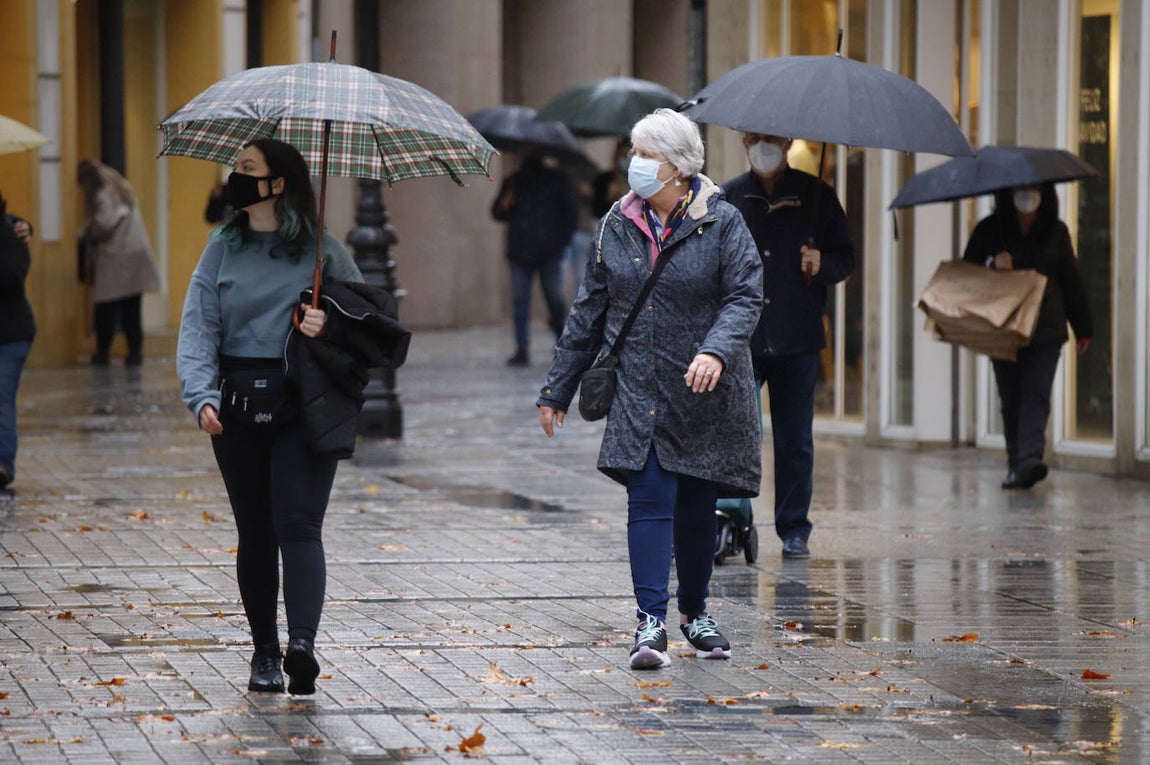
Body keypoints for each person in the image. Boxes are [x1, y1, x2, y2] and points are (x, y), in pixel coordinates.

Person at [537, 109, 763, 670]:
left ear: (679, 167)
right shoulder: (616, 222)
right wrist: (556, 390)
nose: (633, 164)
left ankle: (695, 612)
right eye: (633, 153)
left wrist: (715, 348)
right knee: (649, 499)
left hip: (703, 391)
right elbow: (588, 312)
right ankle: (650, 624)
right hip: (639, 387)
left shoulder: (723, 222)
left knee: (695, 506)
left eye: (645, 155)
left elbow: (745, 295)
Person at [176, 138, 364, 696]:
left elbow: (369, 322)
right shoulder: (221, 247)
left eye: (247, 169)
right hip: (236, 406)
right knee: (256, 531)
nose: (235, 177)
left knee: (299, 525)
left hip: (304, 404)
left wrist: (327, 324)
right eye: (236, 168)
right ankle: (264, 653)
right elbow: (198, 326)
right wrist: (201, 394)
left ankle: (301, 645)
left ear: (278, 183)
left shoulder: (321, 250)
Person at [722, 133, 856, 560]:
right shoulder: (728, 197)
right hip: (743, 338)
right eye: (756, 137)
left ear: (788, 141)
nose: (765, 144)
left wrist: (822, 264)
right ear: (744, 140)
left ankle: (794, 528)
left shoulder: (817, 196)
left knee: (795, 439)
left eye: (773, 138)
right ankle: (732, 520)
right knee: (737, 435)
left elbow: (845, 258)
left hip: (797, 336)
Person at [962, 182, 1093, 490]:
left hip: (1045, 329)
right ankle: (1015, 463)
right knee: (1011, 397)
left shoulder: (1056, 232)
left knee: (1036, 394)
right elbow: (965, 273)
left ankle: (1029, 460)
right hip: (1003, 328)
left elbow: (1070, 280)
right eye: (1020, 189)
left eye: (1033, 188)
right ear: (1007, 194)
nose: (1027, 194)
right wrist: (993, 264)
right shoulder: (990, 230)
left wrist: (1083, 328)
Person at [491, 145, 579, 366]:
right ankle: (522, 348)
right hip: (521, 251)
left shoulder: (557, 180)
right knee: (521, 301)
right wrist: (505, 204)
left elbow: (570, 214)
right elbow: (497, 212)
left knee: (554, 300)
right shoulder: (513, 181)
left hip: (548, 251)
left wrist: (560, 243)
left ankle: (561, 344)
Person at [77, 160, 160, 367]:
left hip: (117, 256)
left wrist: (87, 232)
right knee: (131, 309)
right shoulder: (119, 186)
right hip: (134, 253)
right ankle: (134, 353)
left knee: (105, 307)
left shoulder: (103, 193)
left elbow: (105, 222)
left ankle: (103, 353)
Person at [0, 194, 35, 490]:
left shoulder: (11, 234)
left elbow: (13, 276)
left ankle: (3, 465)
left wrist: (25, 226)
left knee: (2, 395)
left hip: (11, 334)